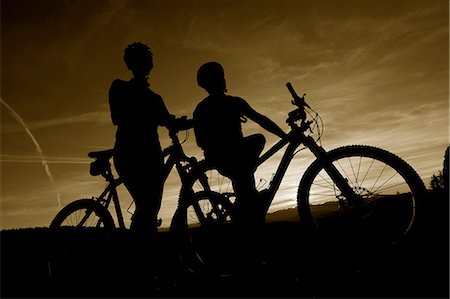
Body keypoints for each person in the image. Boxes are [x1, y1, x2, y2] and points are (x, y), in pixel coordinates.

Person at [193, 61, 286, 226]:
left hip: (223, 157)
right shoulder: (229, 103)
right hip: (227, 157)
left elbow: (200, 141)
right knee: (255, 147)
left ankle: (247, 204)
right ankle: (249, 210)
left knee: (248, 166)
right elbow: (260, 119)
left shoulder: (204, 108)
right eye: (219, 77)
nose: (222, 80)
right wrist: (283, 135)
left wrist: (283, 135)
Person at [109, 42, 181, 235]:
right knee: (148, 207)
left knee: (148, 208)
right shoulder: (130, 90)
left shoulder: (148, 95)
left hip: (140, 154)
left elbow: (167, 121)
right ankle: (139, 253)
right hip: (137, 154)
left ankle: (141, 251)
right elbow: (117, 118)